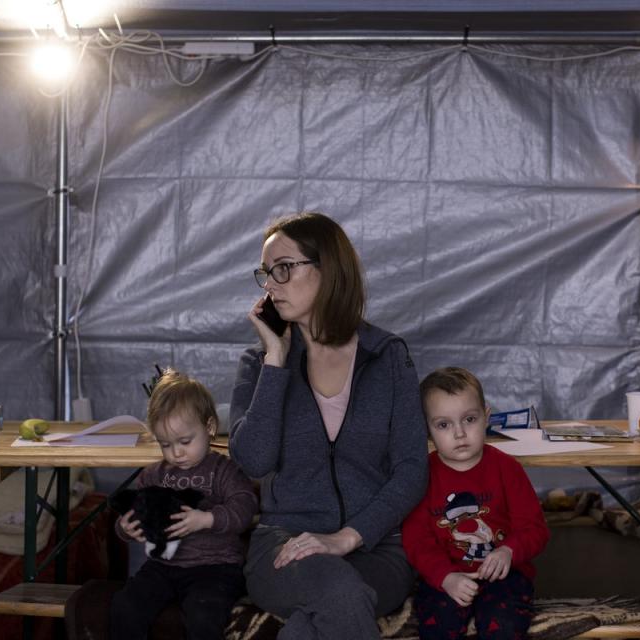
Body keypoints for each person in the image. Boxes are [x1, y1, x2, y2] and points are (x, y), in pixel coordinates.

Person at [229, 212, 428, 640]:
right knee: (338, 589)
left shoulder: (388, 356)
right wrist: (276, 361)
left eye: (283, 268)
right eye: (266, 273)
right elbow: (253, 461)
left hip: (377, 547)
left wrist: (347, 537)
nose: (270, 284)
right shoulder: (259, 364)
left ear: (328, 269)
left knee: (313, 623)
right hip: (282, 547)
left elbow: (412, 469)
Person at [402, 367, 550, 640]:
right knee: (439, 624)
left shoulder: (507, 468)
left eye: (469, 419)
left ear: (486, 418)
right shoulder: (421, 476)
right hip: (444, 577)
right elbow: (416, 541)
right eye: (444, 424)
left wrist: (509, 550)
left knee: (502, 624)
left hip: (505, 576)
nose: (459, 433)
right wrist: (445, 577)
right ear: (427, 430)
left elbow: (535, 529)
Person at [111, 369, 258, 640]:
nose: (176, 453)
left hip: (216, 569)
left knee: (204, 617)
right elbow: (133, 514)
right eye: (165, 444)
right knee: (125, 607)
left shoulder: (223, 471)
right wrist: (125, 528)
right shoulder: (155, 474)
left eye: (185, 442)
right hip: (163, 568)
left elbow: (245, 507)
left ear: (210, 427)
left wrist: (207, 519)